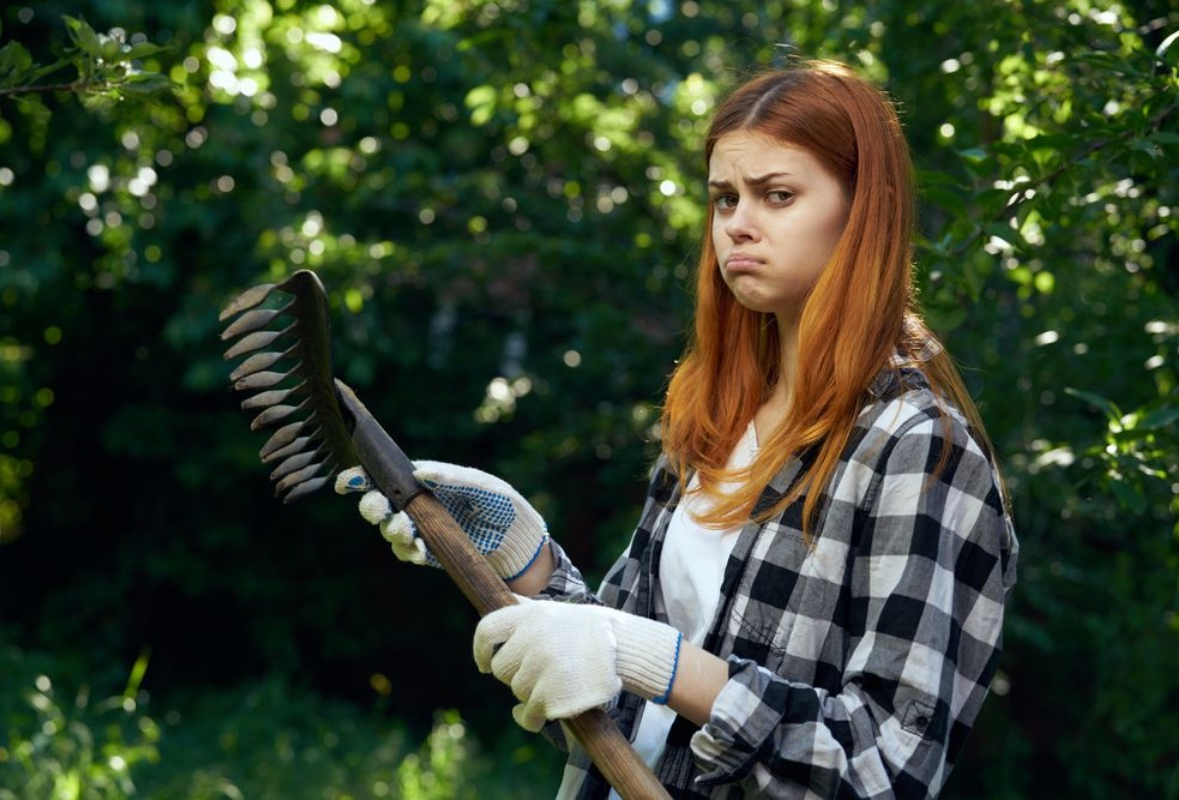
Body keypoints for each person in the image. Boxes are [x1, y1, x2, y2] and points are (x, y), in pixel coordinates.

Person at [337, 58, 1018, 800]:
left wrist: (655, 661)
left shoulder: (915, 448)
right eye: (724, 199)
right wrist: (524, 560)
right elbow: (609, 701)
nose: (739, 224)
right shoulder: (720, 417)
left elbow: (888, 766)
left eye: (777, 195)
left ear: (864, 212)